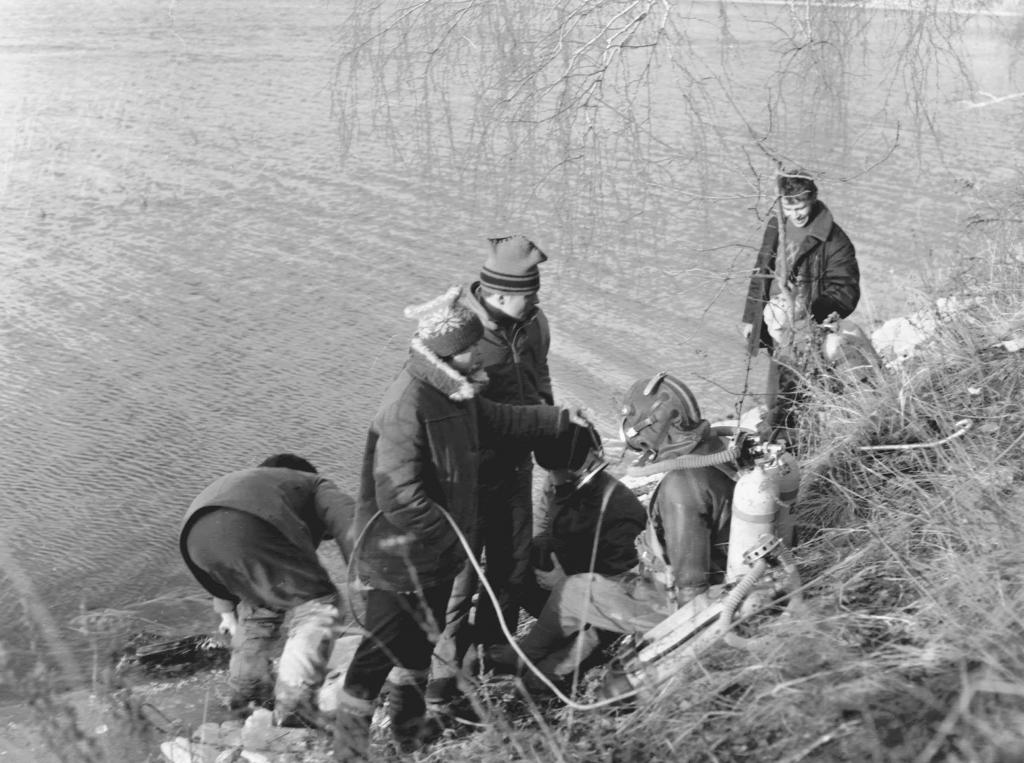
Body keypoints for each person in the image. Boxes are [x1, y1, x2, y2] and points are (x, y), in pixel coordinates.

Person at [333, 286, 588, 761]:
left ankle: (408, 738)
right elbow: (399, 495)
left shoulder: (454, 390)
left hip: (433, 557)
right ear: (450, 352)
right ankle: (348, 752)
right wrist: (454, 538)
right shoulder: (405, 408)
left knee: (415, 648)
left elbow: (501, 420)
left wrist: (557, 418)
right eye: (474, 349)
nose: (482, 358)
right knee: (376, 656)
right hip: (397, 560)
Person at [488, 373, 735, 690]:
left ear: (653, 425)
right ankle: (535, 666)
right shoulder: (709, 453)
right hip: (684, 590)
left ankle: (531, 663)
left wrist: (662, 649)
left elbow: (690, 589)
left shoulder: (682, 487)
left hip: (685, 606)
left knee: (577, 594)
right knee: (578, 593)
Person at [427, 234, 552, 707]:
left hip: (515, 467)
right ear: (498, 295)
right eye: (529, 294)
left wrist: (552, 437)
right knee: (460, 578)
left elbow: (541, 381)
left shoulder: (534, 324)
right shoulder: (461, 336)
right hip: (468, 478)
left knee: (512, 564)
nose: (537, 300)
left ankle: (489, 655)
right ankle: (443, 671)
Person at [179, 453, 355, 728]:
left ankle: (246, 700)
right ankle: (295, 706)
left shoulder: (251, 484)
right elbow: (351, 525)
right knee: (321, 605)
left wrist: (226, 613)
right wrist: (367, 575)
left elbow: (228, 536)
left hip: (193, 538)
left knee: (260, 607)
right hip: (253, 527)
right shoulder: (315, 483)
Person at [741, 172, 860, 434]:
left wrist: (806, 313)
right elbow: (760, 271)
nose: (796, 214)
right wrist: (751, 317)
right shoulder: (776, 226)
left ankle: (795, 437)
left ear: (814, 199)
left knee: (794, 394)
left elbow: (847, 291)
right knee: (777, 393)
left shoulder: (833, 240)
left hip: (807, 330)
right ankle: (782, 433)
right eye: (789, 207)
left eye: (801, 207)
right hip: (774, 326)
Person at [519, 422, 647, 619]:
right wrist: (538, 556)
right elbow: (542, 522)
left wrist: (566, 585)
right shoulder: (558, 480)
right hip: (573, 573)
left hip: (608, 600)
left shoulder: (618, 512)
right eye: (550, 473)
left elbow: (628, 585)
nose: (553, 482)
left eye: (557, 474)